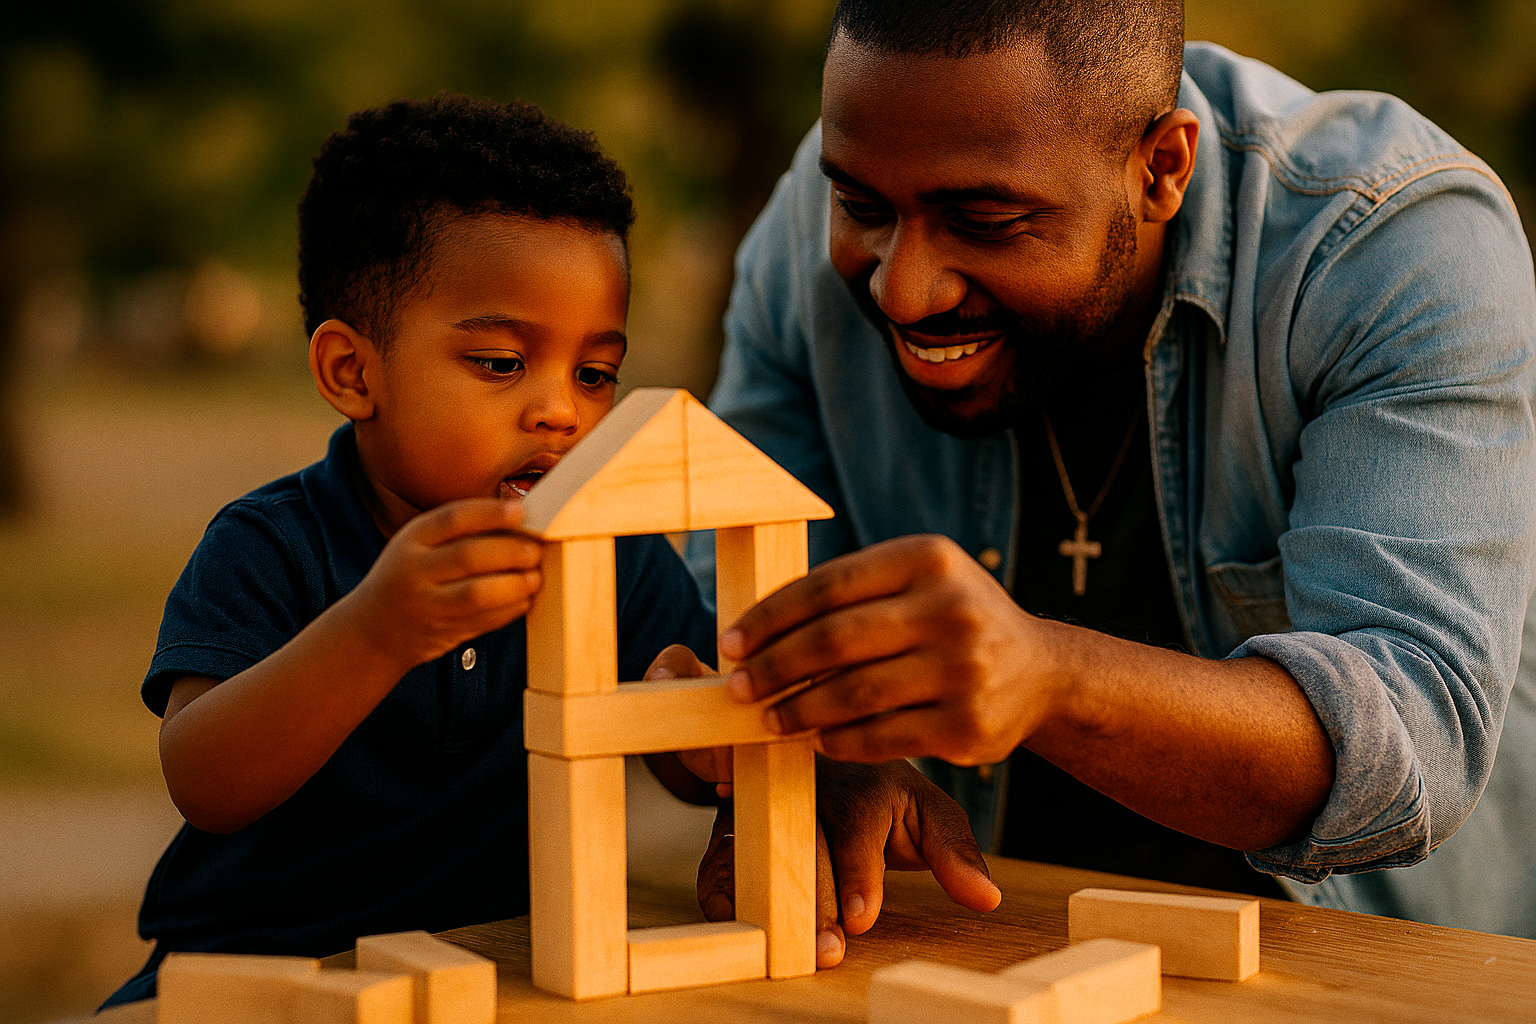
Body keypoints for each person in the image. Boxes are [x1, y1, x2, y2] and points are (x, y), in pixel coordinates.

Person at [103, 94, 999, 1007]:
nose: (561, 411)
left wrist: (701, 740)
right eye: (500, 363)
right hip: (258, 978)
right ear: (352, 372)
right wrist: (378, 630)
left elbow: (684, 764)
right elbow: (205, 781)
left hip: (499, 973)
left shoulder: (609, 552)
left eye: (595, 373)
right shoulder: (273, 544)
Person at [689, 0, 1536, 939]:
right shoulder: (808, 225)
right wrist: (808, 746)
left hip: (1364, 968)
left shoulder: (1385, 241)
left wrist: (1048, 678)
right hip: (986, 946)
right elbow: (713, 618)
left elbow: (1418, 737)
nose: (902, 287)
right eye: (862, 208)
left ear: (1161, 168)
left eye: (987, 220)